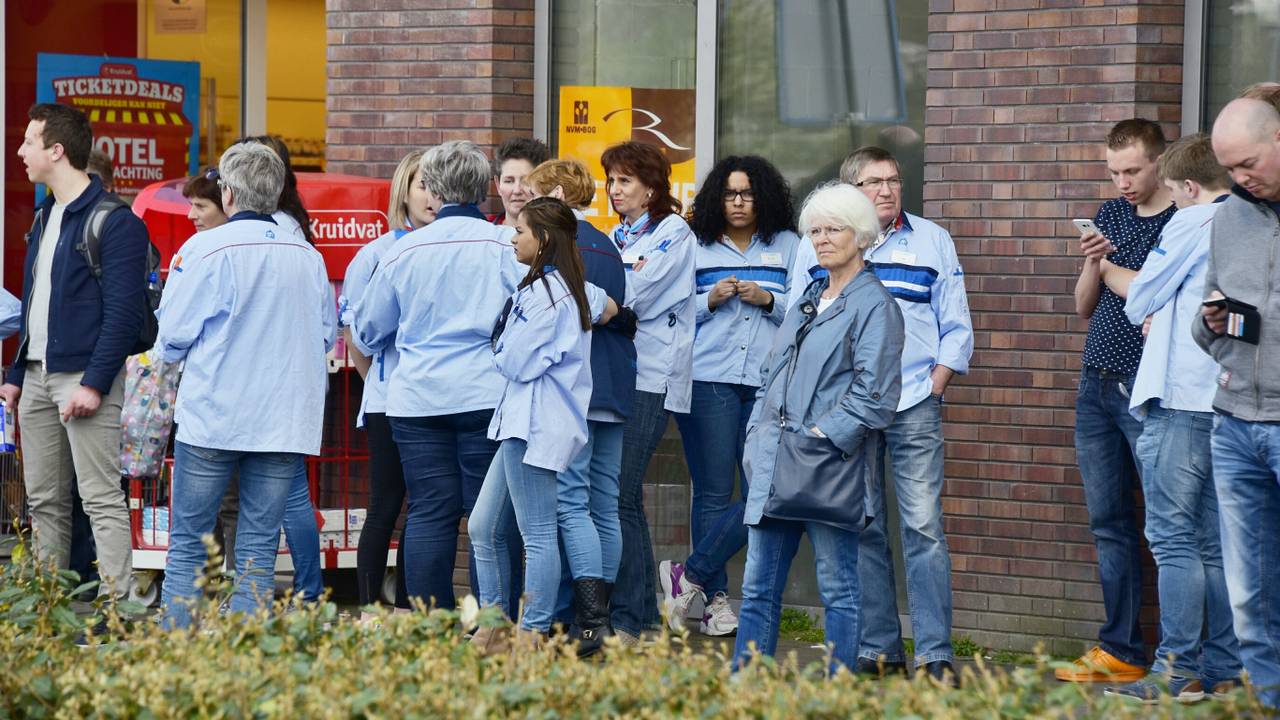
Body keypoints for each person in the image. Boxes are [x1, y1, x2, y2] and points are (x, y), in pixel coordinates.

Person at [791, 146, 973, 682]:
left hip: (915, 402)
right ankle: (880, 648)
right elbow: (802, 319)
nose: (888, 190)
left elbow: (955, 323)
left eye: (893, 180)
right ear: (852, 191)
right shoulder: (820, 241)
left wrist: (938, 382)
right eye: (874, 182)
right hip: (850, 409)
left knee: (923, 527)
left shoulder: (932, 239)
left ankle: (935, 654)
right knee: (864, 524)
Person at [1088, 134, 1242, 703]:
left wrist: (1121, 278)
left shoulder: (1191, 221)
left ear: (1190, 187)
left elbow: (1140, 295)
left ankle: (1176, 669)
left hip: (1178, 400)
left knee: (1174, 540)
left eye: (1174, 194)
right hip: (1224, 402)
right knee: (1213, 542)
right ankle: (1223, 666)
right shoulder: (1250, 223)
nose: (1169, 204)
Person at [156, 142, 335, 628]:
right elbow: (325, 333)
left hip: (215, 414)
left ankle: (173, 649)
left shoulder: (204, 249)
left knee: (189, 540)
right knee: (258, 541)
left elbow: (171, 337)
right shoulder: (306, 255)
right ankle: (245, 655)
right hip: (283, 419)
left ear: (228, 194)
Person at [733, 182, 903, 672]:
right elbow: (772, 373)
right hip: (774, 459)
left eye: (834, 229)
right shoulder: (808, 297)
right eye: (815, 230)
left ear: (862, 236)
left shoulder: (876, 306)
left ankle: (836, 691)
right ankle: (746, 689)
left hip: (829, 467)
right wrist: (757, 432)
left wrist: (821, 436)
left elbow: (876, 396)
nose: (822, 238)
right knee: (757, 588)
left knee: (838, 589)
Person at [353, 140, 524, 614]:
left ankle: (432, 625)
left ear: (434, 187)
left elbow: (368, 329)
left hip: (418, 399)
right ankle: (497, 620)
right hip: (486, 394)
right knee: (491, 518)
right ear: (486, 188)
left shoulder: (401, 252)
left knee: (430, 510)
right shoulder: (505, 247)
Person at [1, 103, 148, 613]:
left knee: (100, 498)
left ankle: (117, 611)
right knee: (43, 502)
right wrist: (17, 372)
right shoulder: (44, 216)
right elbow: (34, 300)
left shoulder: (116, 221)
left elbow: (124, 314)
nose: (20, 152)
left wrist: (94, 381)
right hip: (39, 379)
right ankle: (48, 611)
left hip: (85, 379)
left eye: (28, 142)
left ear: (56, 151)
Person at [659, 156, 801, 637]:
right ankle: (716, 601)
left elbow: (807, 313)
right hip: (710, 380)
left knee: (766, 489)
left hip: (768, 383)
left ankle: (691, 574)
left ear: (762, 196)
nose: (738, 202)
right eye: (729, 194)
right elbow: (671, 313)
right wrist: (708, 300)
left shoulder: (788, 245)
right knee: (715, 492)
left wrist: (770, 300)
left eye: (747, 193)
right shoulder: (694, 245)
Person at [1056, 119, 1176, 683]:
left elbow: (1154, 296)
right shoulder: (1110, 214)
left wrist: (1113, 267)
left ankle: (1180, 656)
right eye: (1114, 172)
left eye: (1132, 170)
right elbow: (1084, 306)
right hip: (1095, 383)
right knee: (1108, 521)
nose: (1123, 182)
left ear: (1160, 162)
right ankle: (1121, 651)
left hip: (1146, 388)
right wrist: (1092, 262)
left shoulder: (1183, 220)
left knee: (1166, 524)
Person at [468, 197, 616, 652]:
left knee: (537, 535)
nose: (513, 238)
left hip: (534, 425)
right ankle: (494, 626)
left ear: (544, 239)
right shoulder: (557, 288)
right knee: (482, 526)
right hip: (521, 422)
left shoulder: (550, 296)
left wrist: (500, 347)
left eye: (521, 231)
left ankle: (530, 635)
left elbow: (514, 360)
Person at [524, 159, 637, 656]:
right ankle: (601, 614)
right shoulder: (610, 244)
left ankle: (589, 621)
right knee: (604, 503)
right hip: (615, 385)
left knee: (570, 503)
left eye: (532, 192)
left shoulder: (560, 247)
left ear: (551, 195)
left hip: (576, 390)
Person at [1196, 97, 1280, 710]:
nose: (1239, 178)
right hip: (1234, 423)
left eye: (1248, 163)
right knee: (1249, 592)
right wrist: (1214, 322)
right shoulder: (1229, 217)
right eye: (1229, 169)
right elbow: (1207, 326)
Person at [601, 141, 697, 645]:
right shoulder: (614, 236)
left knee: (621, 493)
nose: (616, 190)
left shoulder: (673, 233)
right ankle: (633, 615)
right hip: (619, 376)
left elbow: (632, 295)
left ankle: (632, 619)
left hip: (651, 378)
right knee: (621, 496)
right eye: (612, 181)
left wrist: (605, 295)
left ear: (652, 186)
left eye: (625, 181)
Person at [339, 149, 434, 612]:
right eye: (422, 185)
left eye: (438, 185)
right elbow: (355, 332)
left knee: (427, 508)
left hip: (435, 401)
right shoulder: (376, 253)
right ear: (404, 191)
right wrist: (376, 383)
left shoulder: (452, 247)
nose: (431, 195)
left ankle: (412, 609)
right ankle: (368, 609)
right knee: (386, 505)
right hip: (388, 402)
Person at [490, 137, 550, 227]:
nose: (517, 190)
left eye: (525, 181)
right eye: (509, 181)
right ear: (498, 185)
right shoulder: (481, 235)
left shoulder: (558, 237)